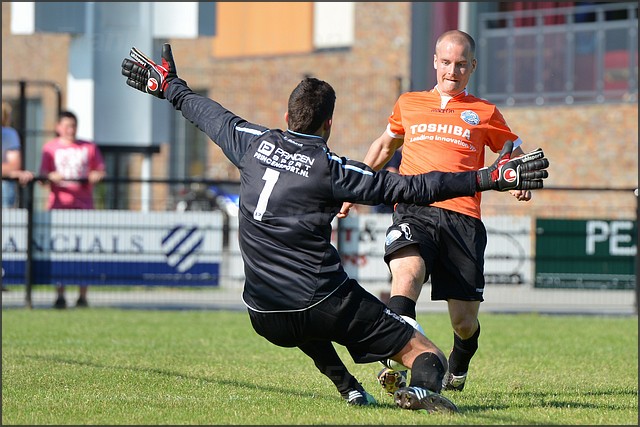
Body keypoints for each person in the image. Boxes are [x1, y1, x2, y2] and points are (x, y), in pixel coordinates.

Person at [121, 43, 547, 413]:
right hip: (323, 300)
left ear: (286, 115)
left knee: (307, 320)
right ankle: (420, 391)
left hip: (262, 312)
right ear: (329, 126)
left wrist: (169, 87)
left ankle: (350, 389)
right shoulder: (330, 170)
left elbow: (208, 114)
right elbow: (414, 185)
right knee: (427, 354)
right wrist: (487, 179)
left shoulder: (252, 143)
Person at [338, 29, 541, 394]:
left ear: (472, 66)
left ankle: (459, 364)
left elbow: (511, 147)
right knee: (407, 274)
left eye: (461, 64)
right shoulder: (409, 103)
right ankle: (402, 365)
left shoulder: (484, 112)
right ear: (435, 61)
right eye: (446, 62)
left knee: (464, 322)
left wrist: (514, 172)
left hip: (463, 218)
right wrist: (354, 188)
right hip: (414, 208)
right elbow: (385, 144)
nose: (452, 71)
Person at [39, 110, 106, 309]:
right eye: (67, 126)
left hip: (84, 204)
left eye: (73, 126)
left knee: (84, 251)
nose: (71, 130)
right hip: (59, 205)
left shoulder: (89, 147)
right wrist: (51, 177)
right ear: (58, 127)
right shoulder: (49, 148)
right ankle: (60, 294)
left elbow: (100, 170)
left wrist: (96, 176)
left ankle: (82, 295)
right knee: (60, 251)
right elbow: (42, 177)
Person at [2, 101, 34, 208]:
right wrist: (9, 173)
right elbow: (11, 169)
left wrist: (10, 172)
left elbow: (13, 166)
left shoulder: (8, 134)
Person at [371, 148, 402, 214]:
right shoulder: (394, 154)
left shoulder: (398, 155)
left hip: (388, 195)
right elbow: (392, 171)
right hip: (385, 196)